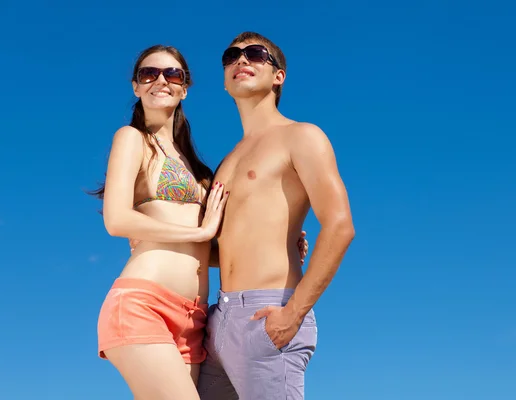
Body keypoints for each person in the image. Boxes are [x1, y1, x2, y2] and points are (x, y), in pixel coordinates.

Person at [90, 44, 309, 400]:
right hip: (143, 304)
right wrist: (201, 230)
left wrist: (277, 244)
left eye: (172, 74)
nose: (161, 80)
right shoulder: (132, 139)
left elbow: (199, 251)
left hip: (194, 321)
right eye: (149, 74)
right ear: (136, 86)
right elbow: (117, 220)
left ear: (184, 88)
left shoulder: (194, 165)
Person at [196, 32, 355, 400]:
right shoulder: (228, 161)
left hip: (268, 313)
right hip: (218, 320)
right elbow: (227, 248)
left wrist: (294, 313)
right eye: (231, 55)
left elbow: (340, 226)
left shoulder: (301, 136)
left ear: (278, 76)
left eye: (255, 54)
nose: (241, 60)